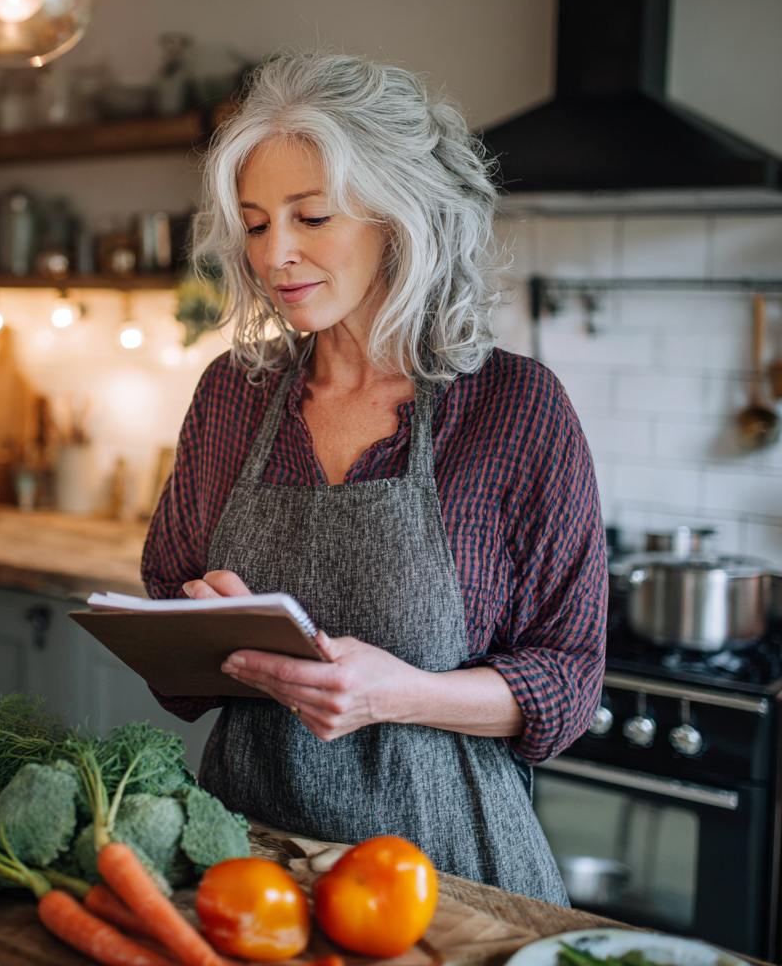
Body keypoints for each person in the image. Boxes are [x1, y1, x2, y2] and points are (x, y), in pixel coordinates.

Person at [142, 51, 606, 906]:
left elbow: (569, 684)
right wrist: (207, 631)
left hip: (451, 881)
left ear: (399, 216)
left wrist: (405, 694)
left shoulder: (513, 410)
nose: (274, 253)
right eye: (253, 223)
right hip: (246, 869)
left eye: (310, 216)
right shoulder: (231, 400)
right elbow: (173, 653)